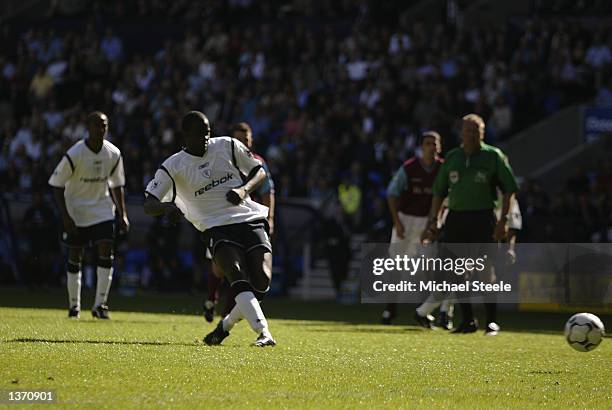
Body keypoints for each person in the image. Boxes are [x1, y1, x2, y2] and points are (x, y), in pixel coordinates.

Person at [144, 111, 275, 347]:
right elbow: (149, 202)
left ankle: (224, 327)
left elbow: (260, 172)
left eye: (207, 131)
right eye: (199, 133)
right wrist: (166, 208)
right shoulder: (173, 166)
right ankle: (264, 333)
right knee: (234, 272)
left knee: (262, 281)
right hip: (216, 227)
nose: (206, 137)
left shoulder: (228, 145)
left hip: (249, 218)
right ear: (186, 135)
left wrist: (244, 190)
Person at [422, 114, 518, 335]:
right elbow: (438, 192)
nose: (472, 135)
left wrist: (503, 220)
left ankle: (492, 322)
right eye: (468, 130)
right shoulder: (452, 158)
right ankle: (468, 321)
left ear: (483, 133)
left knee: (485, 271)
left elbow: (509, 189)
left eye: (477, 131)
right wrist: (433, 220)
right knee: (456, 272)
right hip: (456, 219)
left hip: (483, 218)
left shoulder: (493, 156)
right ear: (461, 133)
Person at [48, 111, 129, 319]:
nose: (101, 129)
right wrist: (65, 216)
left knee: (106, 250)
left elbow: (117, 184)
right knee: (75, 256)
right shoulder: (75, 153)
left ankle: (100, 305)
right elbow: (56, 185)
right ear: (88, 128)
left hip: (102, 208)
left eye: (104, 125)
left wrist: (122, 214)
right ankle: (74, 306)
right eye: (97, 125)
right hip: (76, 211)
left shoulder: (113, 153)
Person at [203, 122, 275, 322]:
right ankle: (210, 299)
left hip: (247, 222)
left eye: (247, 139)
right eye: (239, 139)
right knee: (219, 268)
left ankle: (227, 315)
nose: (244, 143)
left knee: (242, 271)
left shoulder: (257, 162)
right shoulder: (222, 159)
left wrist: (270, 218)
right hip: (220, 220)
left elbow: (267, 190)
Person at [380, 131, 443, 325]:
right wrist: (397, 223)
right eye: (427, 143)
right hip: (406, 220)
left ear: (439, 147)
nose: (431, 147)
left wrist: (433, 224)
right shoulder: (409, 168)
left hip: (428, 221)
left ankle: (423, 312)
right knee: (396, 267)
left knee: (427, 268)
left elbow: (443, 199)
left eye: (434, 144)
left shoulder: (443, 168)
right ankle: (390, 311)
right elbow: (391, 194)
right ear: (421, 146)